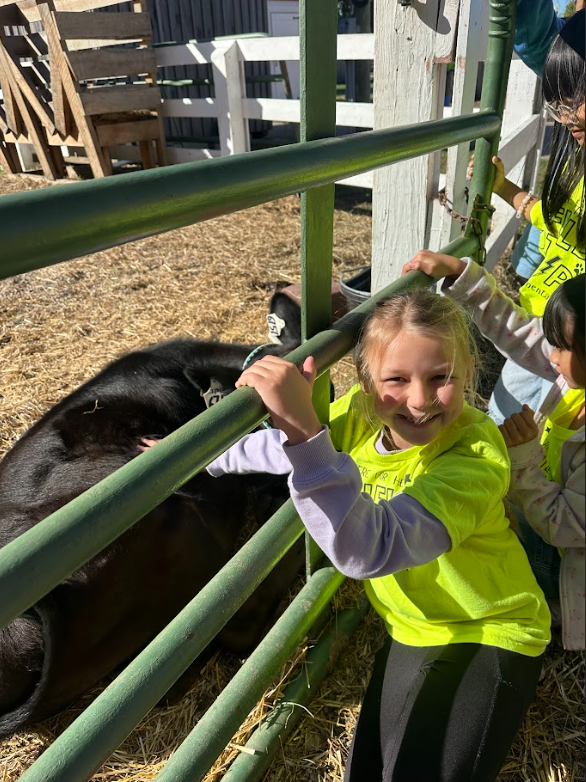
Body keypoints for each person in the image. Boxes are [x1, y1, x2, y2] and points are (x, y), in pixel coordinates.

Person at [204, 289, 550, 781]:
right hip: (413, 628)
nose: (420, 400)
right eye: (397, 379)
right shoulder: (361, 417)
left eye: (441, 377)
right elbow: (277, 449)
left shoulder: (474, 458)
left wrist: (304, 432)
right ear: (366, 383)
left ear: (469, 371)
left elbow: (371, 548)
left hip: (490, 629)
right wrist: (194, 460)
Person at [403, 252, 584, 652]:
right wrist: (460, 275)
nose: (551, 356)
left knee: (478, 535)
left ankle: (546, 606)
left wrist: (524, 460)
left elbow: (564, 527)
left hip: (565, 564)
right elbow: (519, 331)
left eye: (561, 347)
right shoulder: (574, 379)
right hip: (545, 513)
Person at [479, 9, 585, 424]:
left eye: (575, 97)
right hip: (545, 323)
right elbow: (557, 222)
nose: (565, 114)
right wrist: (504, 188)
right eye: (559, 100)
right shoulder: (578, 165)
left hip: (577, 338)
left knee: (555, 433)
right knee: (504, 418)